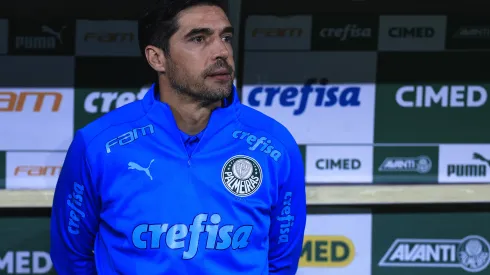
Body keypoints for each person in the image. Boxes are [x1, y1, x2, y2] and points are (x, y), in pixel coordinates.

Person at [50, 0, 306, 274]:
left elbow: (281, 261)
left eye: (226, 37)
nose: (221, 51)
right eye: (198, 38)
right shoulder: (98, 145)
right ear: (157, 58)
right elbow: (71, 256)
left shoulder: (274, 145)